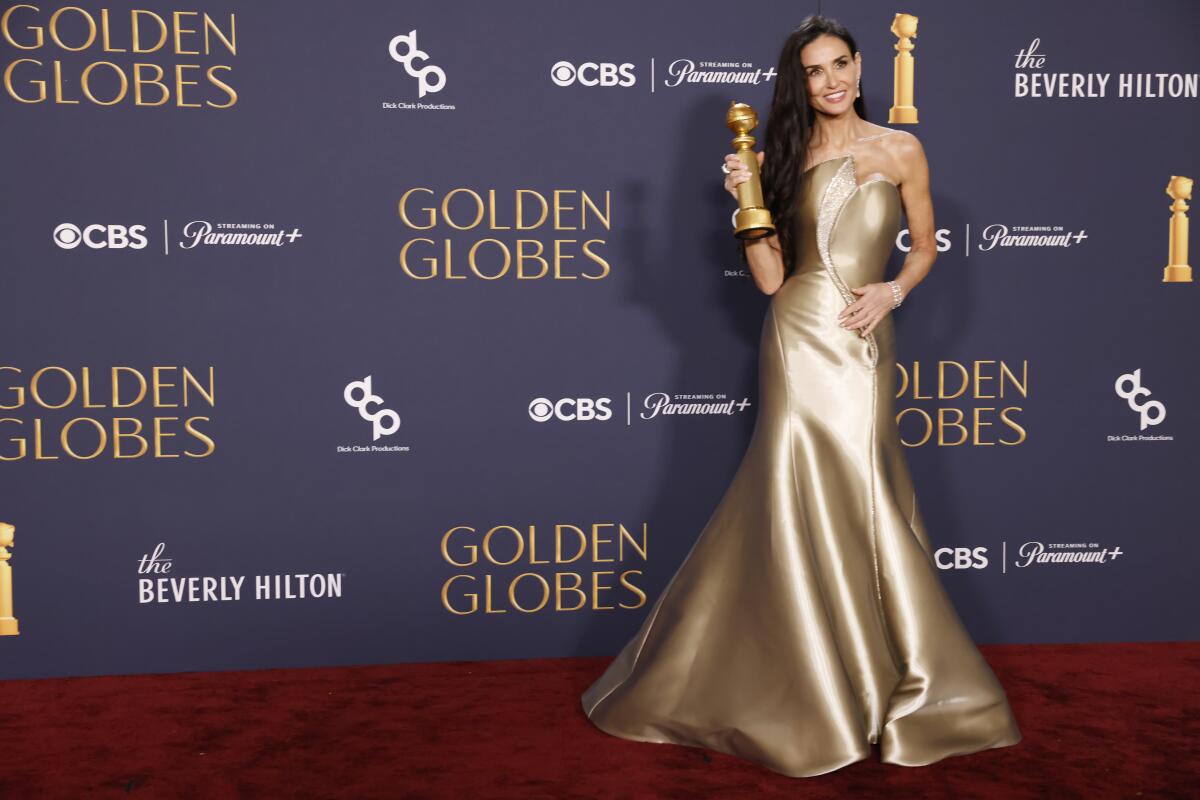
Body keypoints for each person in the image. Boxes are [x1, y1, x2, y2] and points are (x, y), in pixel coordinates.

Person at [579, 15, 1022, 778]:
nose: (831, 81)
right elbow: (771, 282)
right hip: (797, 335)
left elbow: (925, 245)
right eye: (814, 72)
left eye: (840, 64)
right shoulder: (780, 159)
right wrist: (748, 205)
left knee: (866, 485)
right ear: (800, 83)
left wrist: (892, 292)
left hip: (865, 336)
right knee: (793, 481)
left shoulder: (900, 147)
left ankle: (895, 674)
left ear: (858, 66)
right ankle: (805, 682)